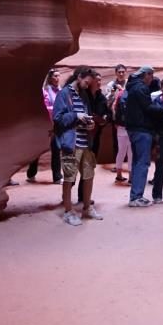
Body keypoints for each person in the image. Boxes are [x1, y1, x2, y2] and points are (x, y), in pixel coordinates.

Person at [53, 66, 104, 226]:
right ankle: (68, 211)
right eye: (87, 82)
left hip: (85, 142)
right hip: (70, 143)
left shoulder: (83, 95)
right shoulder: (64, 94)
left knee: (89, 175)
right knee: (69, 178)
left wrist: (88, 124)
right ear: (79, 77)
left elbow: (85, 116)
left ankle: (87, 208)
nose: (88, 86)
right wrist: (76, 115)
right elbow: (58, 118)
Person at [125, 65, 163, 207]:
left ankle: (135, 195)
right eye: (151, 75)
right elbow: (148, 107)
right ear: (145, 75)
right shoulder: (141, 88)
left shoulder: (132, 86)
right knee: (143, 162)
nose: (152, 79)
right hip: (141, 130)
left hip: (133, 129)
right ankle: (136, 197)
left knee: (137, 161)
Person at [76, 71, 110, 204]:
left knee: (88, 167)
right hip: (82, 136)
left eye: (101, 80)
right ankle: (67, 195)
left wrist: (105, 118)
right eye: (97, 80)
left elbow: (108, 113)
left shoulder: (101, 97)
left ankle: (83, 196)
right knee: (75, 167)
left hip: (95, 136)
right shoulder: (85, 96)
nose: (99, 82)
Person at [26, 68, 62, 184]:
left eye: (58, 76)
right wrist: (56, 109)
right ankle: (31, 173)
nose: (57, 78)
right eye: (55, 76)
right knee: (38, 150)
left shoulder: (60, 90)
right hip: (46, 125)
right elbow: (45, 107)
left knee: (56, 149)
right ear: (50, 78)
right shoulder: (45, 91)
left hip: (56, 125)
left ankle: (57, 177)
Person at [105, 64, 128, 173]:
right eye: (119, 72)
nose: (121, 74)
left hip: (128, 117)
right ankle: (118, 164)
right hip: (115, 116)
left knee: (129, 143)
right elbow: (107, 101)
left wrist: (122, 90)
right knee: (117, 141)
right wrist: (112, 93)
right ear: (116, 73)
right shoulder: (111, 84)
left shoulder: (129, 83)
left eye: (123, 71)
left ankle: (128, 164)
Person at [111, 83, 132, 183]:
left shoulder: (120, 94)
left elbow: (113, 108)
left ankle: (119, 175)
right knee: (131, 152)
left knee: (121, 151)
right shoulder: (134, 94)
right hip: (131, 127)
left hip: (120, 127)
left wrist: (116, 122)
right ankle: (131, 177)